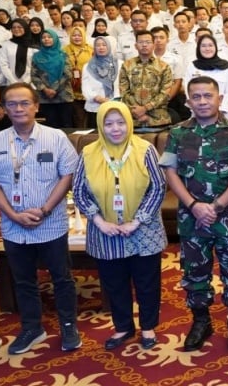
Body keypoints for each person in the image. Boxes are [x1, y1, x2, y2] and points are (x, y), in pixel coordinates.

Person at [0, 83, 80, 354]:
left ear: (36, 106)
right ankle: (31, 328)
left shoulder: (56, 138)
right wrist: (12, 214)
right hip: (13, 226)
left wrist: (45, 209)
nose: (18, 108)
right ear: (4, 108)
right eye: (11, 104)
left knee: (62, 278)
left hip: (51, 223)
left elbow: (67, 175)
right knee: (23, 281)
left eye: (24, 103)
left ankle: (68, 325)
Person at [160, 76, 228, 352]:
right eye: (196, 97)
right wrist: (194, 205)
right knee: (194, 272)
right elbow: (170, 173)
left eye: (208, 96)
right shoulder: (177, 134)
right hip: (192, 218)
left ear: (219, 99)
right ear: (188, 101)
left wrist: (216, 207)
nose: (202, 101)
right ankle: (201, 321)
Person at [72, 101, 167, 349]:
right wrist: (98, 221)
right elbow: (79, 190)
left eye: (121, 122)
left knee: (147, 282)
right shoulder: (88, 153)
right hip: (105, 231)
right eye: (109, 123)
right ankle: (123, 327)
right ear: (100, 126)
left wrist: (137, 220)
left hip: (144, 230)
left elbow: (158, 187)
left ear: (129, 123)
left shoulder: (145, 150)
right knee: (114, 283)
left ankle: (148, 327)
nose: (115, 129)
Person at [119, 30, 173, 128]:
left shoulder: (164, 67)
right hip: (133, 116)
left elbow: (165, 93)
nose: (144, 45)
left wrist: (145, 108)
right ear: (136, 45)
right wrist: (136, 110)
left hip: (157, 118)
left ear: (154, 45)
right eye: (141, 42)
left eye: (148, 42)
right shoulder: (127, 65)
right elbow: (123, 91)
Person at [183, 35, 228, 123]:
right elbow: (187, 89)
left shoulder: (226, 67)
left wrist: (221, 110)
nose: (207, 49)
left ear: (215, 47)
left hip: (223, 113)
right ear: (198, 48)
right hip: (199, 111)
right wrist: (195, 106)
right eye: (203, 46)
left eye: (210, 45)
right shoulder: (192, 66)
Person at [30, 29, 74, 128]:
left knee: (66, 125)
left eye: (49, 37)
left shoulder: (63, 55)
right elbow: (33, 75)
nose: (46, 39)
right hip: (45, 97)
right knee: (50, 126)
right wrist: (45, 89)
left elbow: (68, 74)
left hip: (64, 96)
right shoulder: (36, 56)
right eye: (44, 37)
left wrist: (54, 89)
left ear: (55, 39)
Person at [82, 36, 121, 128]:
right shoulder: (87, 66)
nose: (101, 47)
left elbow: (123, 84)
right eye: (98, 45)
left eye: (104, 45)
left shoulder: (120, 64)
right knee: (95, 133)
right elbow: (85, 86)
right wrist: (96, 98)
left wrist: (112, 100)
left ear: (109, 46)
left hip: (115, 105)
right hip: (95, 106)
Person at [64, 26, 92, 127]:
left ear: (83, 36)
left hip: (88, 87)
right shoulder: (65, 50)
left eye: (79, 35)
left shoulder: (90, 49)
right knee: (78, 118)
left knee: (90, 119)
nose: (77, 37)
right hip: (72, 88)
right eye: (74, 35)